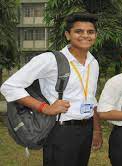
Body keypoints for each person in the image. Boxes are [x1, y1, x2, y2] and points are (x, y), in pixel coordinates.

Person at [0, 12, 102, 166]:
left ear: (95, 35)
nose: (85, 35)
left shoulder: (93, 62)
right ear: (68, 35)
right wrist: (45, 108)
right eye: (78, 31)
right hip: (60, 131)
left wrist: (96, 130)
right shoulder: (50, 60)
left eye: (90, 32)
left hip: (86, 129)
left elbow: (91, 98)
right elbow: (9, 87)